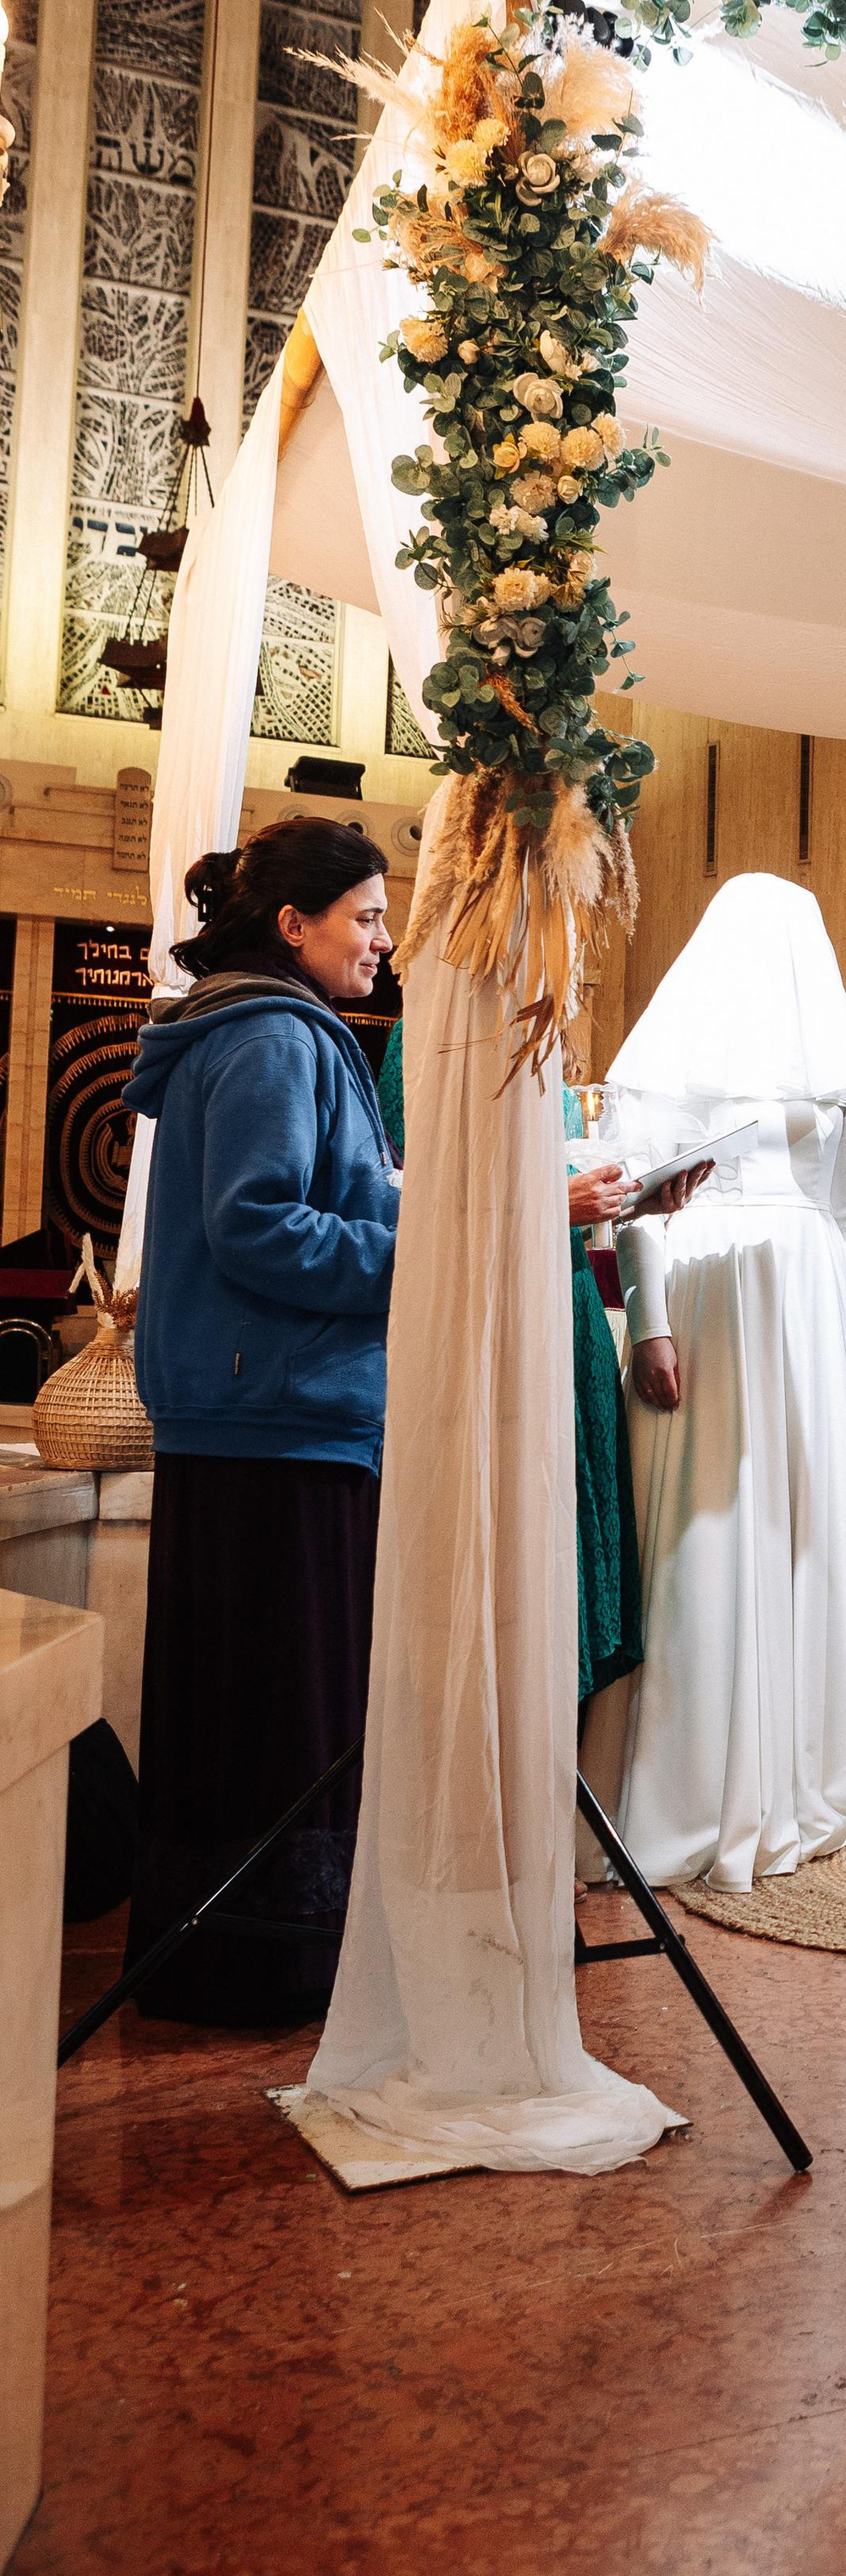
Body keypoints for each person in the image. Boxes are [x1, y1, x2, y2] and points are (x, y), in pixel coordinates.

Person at [589, 874, 846, 1890]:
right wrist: (648, 1324)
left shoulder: (825, 1069)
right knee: (708, 1525)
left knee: (810, 1525)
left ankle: (820, 1769)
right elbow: (636, 1205)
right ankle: (698, 1783)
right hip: (707, 1296)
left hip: (810, 1307)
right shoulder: (667, 1053)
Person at [122, 820, 402, 2024]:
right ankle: (263, 1967)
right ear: (294, 924)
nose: (386, 942)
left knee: (241, 1716)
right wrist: (417, 1251)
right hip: (274, 1418)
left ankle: (229, 1958)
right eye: (368, 917)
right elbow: (259, 1224)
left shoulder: (263, 1030)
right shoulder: (279, 1039)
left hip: (258, 1414)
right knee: (281, 1721)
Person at [376, 1018, 662, 1707]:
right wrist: (553, 1201)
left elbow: (567, 1168)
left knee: (575, 1504)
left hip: (564, 1301)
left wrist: (638, 1191)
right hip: (489, 1304)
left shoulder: (546, 1031)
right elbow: (416, 1189)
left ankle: (558, 1734)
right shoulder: (429, 1028)